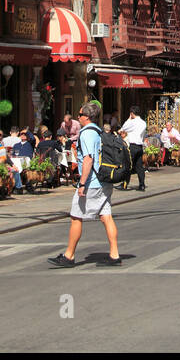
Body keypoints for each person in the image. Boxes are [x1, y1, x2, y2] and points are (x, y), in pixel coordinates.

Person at [49, 101, 121, 267]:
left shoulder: (87, 133)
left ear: (87, 117)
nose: (78, 117)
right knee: (106, 216)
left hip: (92, 182)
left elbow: (88, 159)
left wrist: (82, 184)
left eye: (80, 115)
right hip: (104, 180)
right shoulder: (98, 131)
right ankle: (114, 254)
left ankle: (69, 256)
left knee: (76, 217)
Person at [120, 106, 147, 192]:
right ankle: (142, 184)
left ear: (132, 113)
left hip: (132, 145)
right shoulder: (143, 122)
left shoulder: (133, 122)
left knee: (128, 165)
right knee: (139, 166)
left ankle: (125, 184)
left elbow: (123, 128)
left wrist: (129, 119)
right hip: (139, 146)